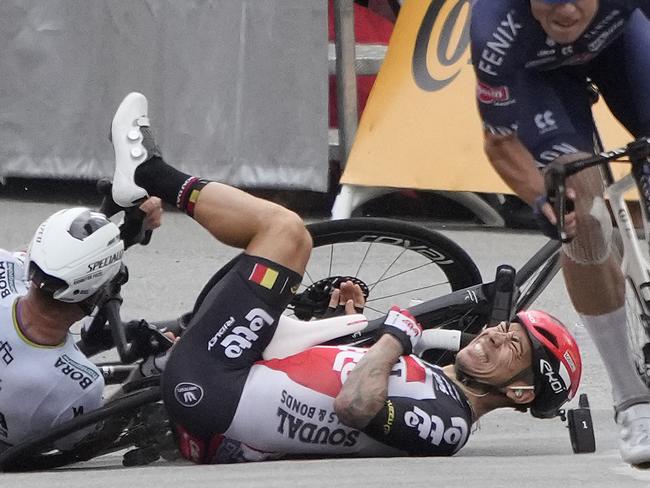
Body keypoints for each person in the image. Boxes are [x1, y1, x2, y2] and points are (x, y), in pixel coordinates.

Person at [106, 92, 583, 462]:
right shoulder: (438, 380)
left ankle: (150, 174)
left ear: (520, 391)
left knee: (287, 235)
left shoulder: (451, 425)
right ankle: (120, 233)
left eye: (512, 347)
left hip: (214, 392)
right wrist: (346, 321)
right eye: (507, 328)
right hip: (228, 386)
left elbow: (355, 406)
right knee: (284, 256)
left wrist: (395, 339)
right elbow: (341, 380)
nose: (496, 334)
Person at [469, 0, 650, 466]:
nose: (566, 10)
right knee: (583, 219)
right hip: (537, 83)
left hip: (622, 45)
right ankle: (633, 401)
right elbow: (500, 141)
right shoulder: (496, 29)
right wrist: (542, 198)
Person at [0, 200, 162, 450]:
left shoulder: (5, 267)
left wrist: (112, 233)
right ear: (94, 297)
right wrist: (145, 375)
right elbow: (90, 444)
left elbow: (52, 265)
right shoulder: (81, 385)